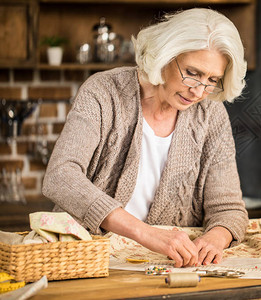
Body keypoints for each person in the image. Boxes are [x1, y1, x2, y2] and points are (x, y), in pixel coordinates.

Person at [42, 8, 248, 268]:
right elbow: (60, 177)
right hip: (85, 258)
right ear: (165, 55)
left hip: (167, 267)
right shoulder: (103, 92)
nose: (198, 91)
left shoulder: (211, 115)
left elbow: (229, 208)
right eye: (192, 73)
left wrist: (215, 238)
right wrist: (146, 233)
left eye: (212, 80)